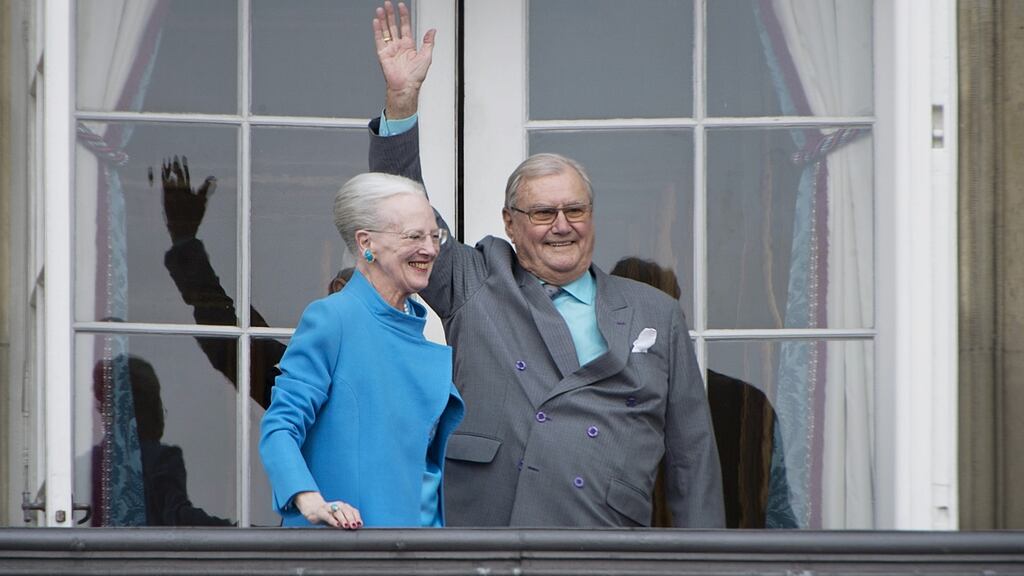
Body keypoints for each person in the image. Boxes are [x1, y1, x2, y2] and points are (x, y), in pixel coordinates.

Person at [365, 2, 724, 528]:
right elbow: (400, 212)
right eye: (543, 212)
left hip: (604, 543)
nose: (562, 224)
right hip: (491, 534)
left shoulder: (655, 313)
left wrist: (706, 565)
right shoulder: (476, 279)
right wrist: (401, 103)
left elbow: (693, 458)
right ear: (510, 222)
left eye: (575, 209)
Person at [259, 172, 464, 529]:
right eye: (414, 236)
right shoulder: (334, 318)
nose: (430, 249)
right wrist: (310, 500)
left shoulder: (420, 332)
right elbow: (280, 427)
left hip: (418, 552)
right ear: (366, 242)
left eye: (435, 236)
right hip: (350, 551)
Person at [160, 156, 353, 409]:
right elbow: (227, 341)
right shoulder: (306, 377)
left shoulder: (407, 363)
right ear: (339, 289)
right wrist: (184, 240)